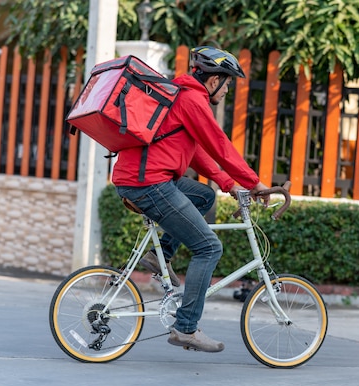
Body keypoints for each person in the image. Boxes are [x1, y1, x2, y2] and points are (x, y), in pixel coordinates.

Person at [112, 45, 270, 353]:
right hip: (149, 184)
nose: (226, 91)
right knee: (209, 248)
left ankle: (161, 256)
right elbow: (219, 145)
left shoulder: (180, 95)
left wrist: (228, 183)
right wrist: (255, 183)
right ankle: (185, 328)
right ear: (214, 82)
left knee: (203, 195)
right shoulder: (193, 100)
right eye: (227, 84)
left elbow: (196, 150)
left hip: (141, 179)